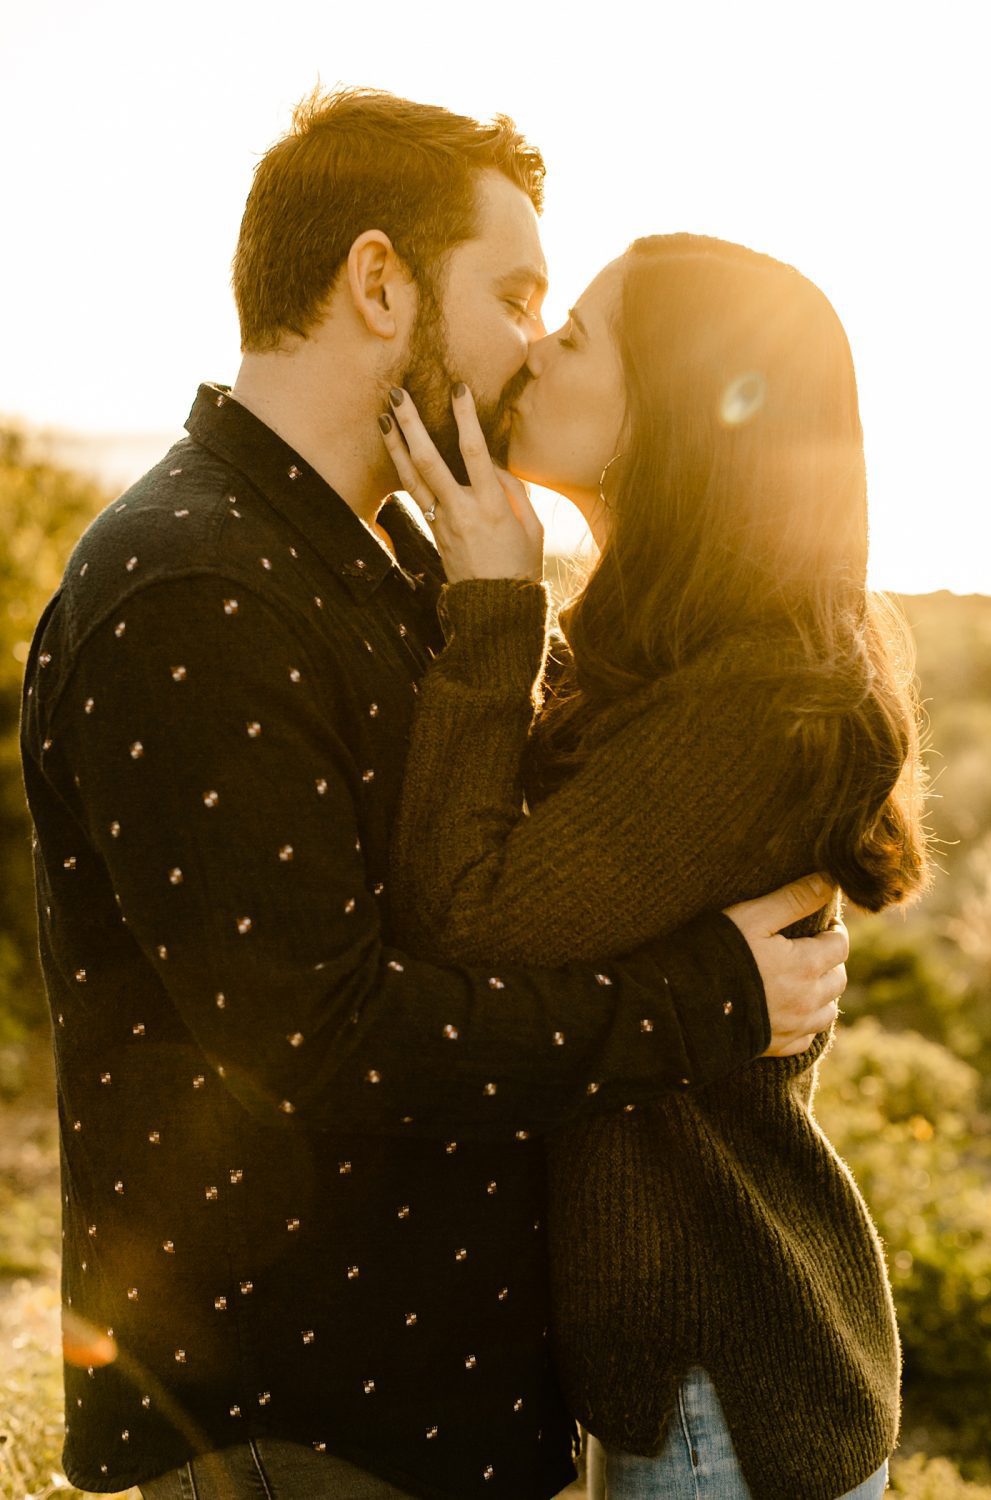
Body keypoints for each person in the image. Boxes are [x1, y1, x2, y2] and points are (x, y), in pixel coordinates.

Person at [19, 90, 847, 1500]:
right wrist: (706, 999)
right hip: (297, 1423)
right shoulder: (196, 587)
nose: (536, 340)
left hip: (445, 1419)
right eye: (516, 292)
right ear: (380, 279)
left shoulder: (399, 554)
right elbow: (320, 1043)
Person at [381, 235, 929, 1500]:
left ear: (670, 412)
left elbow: (471, 912)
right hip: (697, 1369)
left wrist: (490, 613)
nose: (533, 352)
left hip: (722, 1388)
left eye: (571, 335)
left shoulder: (753, 704)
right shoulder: (670, 648)